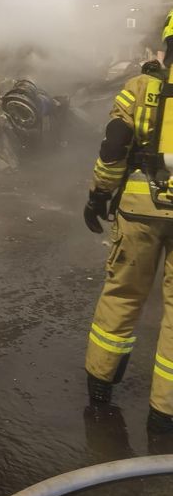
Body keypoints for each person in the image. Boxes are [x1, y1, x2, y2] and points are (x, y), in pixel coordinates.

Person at [83, 56, 173, 433]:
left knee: (122, 294)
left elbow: (115, 144)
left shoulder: (140, 86)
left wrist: (98, 196)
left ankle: (100, 391)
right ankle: (163, 415)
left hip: (139, 209)